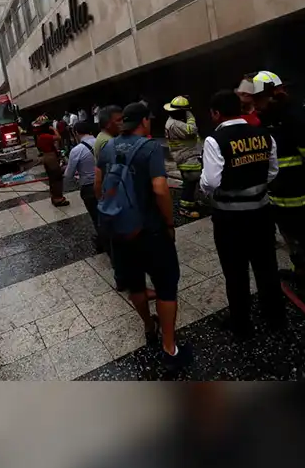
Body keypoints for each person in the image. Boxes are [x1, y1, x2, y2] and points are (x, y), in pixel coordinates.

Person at [96, 102, 190, 371]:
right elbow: (160, 189)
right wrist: (169, 222)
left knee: (135, 285)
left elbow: (98, 185)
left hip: (121, 231)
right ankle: (169, 347)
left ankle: (149, 326)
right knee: (165, 286)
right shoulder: (150, 148)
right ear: (144, 122)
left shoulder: (108, 147)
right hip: (151, 231)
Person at [200, 89, 286, 338]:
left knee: (235, 271)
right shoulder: (264, 133)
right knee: (266, 265)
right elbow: (273, 171)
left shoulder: (215, 140)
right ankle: (275, 316)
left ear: (216, 113)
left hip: (230, 220)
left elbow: (211, 182)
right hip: (261, 213)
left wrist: (208, 190)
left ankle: (241, 322)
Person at [244, 71, 305, 279]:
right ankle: (300, 268)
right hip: (278, 189)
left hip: (296, 188)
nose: (256, 104)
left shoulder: (293, 116)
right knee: (288, 234)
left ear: (275, 93)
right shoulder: (269, 119)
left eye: (259, 99)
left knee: (303, 234)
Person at [65, 120, 104, 252]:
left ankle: (104, 242)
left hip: (89, 188)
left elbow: (69, 174)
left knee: (96, 216)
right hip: (107, 183)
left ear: (76, 133)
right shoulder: (103, 142)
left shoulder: (76, 150)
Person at [163, 96, 204, 219]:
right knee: (190, 183)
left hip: (186, 156)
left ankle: (190, 202)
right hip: (187, 158)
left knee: (190, 182)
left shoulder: (174, 121)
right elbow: (191, 130)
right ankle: (185, 208)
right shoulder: (175, 124)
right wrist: (190, 116)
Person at [34, 115, 70, 207]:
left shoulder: (39, 136)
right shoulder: (45, 136)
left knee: (52, 179)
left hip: (46, 157)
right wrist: (54, 129)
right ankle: (59, 199)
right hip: (51, 158)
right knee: (57, 178)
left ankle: (54, 197)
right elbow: (58, 137)